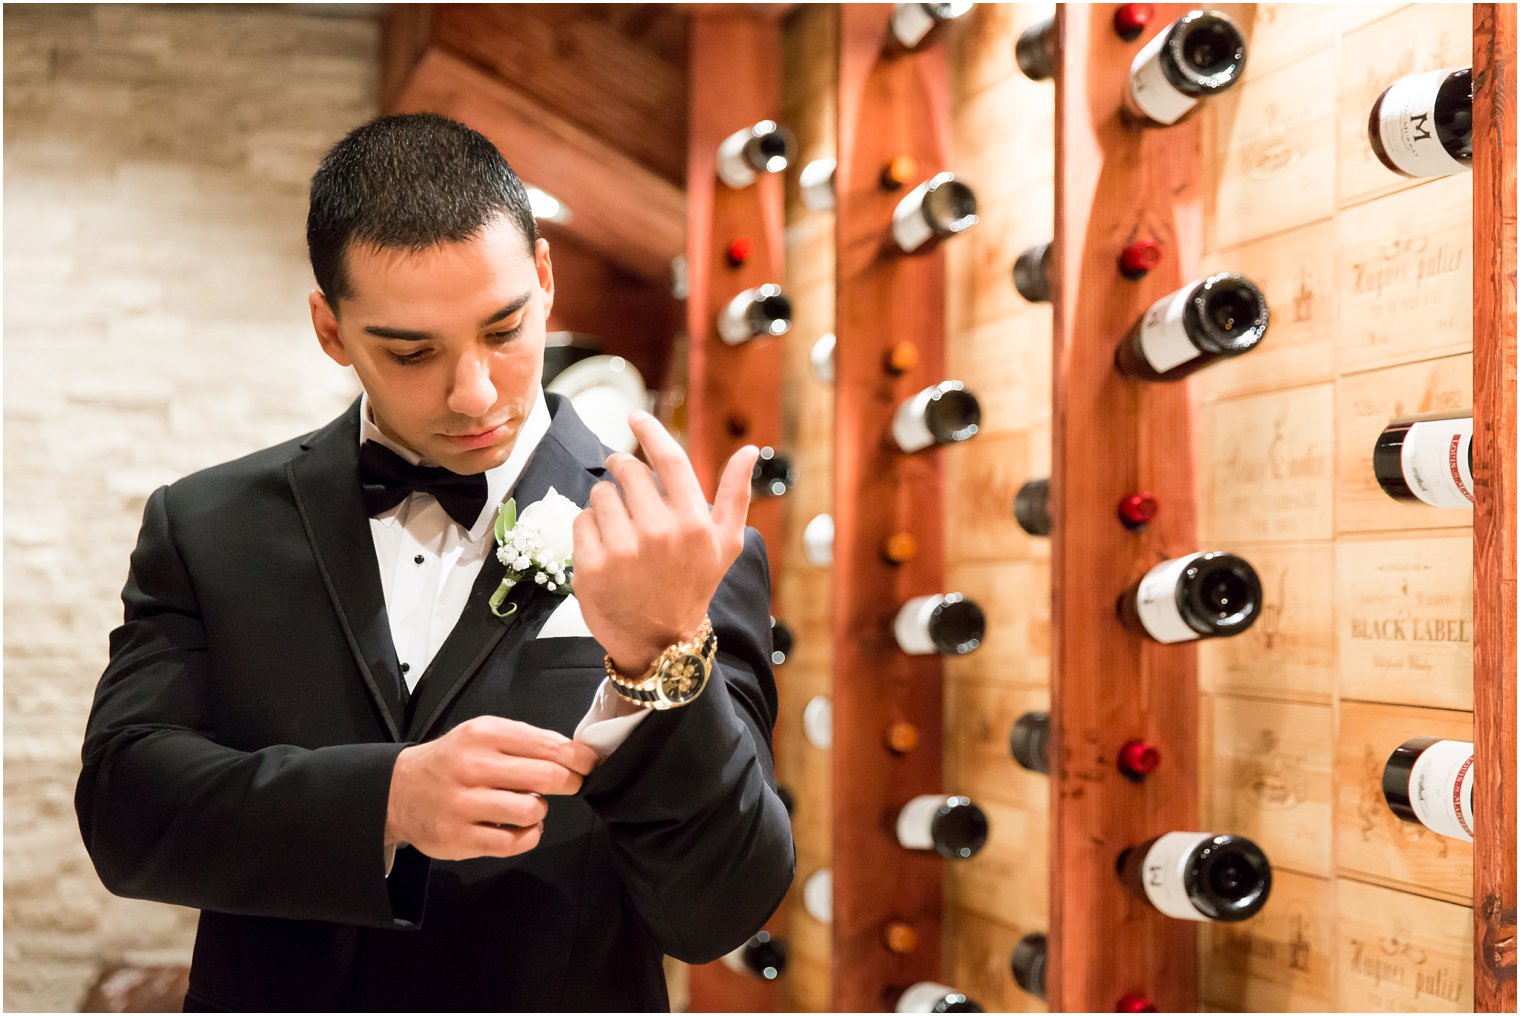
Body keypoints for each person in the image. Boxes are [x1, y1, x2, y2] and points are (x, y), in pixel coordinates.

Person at [74, 113, 794, 1012]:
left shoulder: (675, 537)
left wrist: (659, 656)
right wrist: (386, 800)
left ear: (542, 275)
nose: (474, 393)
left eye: (504, 329)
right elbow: (126, 813)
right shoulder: (207, 525)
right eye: (411, 352)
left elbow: (716, 911)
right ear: (331, 330)